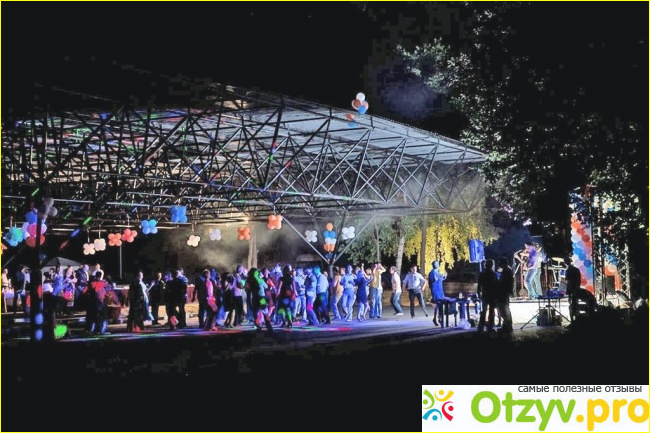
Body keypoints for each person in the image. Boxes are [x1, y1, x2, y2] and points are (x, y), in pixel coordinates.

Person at [477, 259, 498, 333]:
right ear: (492, 265)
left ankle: (481, 326)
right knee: (491, 311)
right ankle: (490, 326)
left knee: (484, 311)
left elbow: (479, 285)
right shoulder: (493, 274)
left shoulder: (482, 274)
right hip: (492, 294)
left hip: (485, 294)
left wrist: (479, 293)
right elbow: (496, 285)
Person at [495, 257, 514, 333]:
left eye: (500, 263)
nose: (499, 265)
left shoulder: (506, 271)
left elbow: (506, 283)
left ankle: (507, 326)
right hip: (504, 292)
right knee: (505, 309)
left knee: (504, 309)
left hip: (504, 293)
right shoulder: (506, 270)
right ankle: (506, 325)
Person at [428, 261, 446, 326]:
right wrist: (442, 277)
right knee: (439, 304)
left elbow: (440, 279)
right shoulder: (433, 272)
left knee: (438, 305)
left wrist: (443, 277)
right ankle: (439, 319)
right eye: (436, 264)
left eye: (438, 264)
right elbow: (435, 280)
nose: (437, 265)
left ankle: (436, 318)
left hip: (440, 290)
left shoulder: (437, 272)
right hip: (436, 290)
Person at [564, 257, 582, 322]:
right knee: (576, 303)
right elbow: (579, 280)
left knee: (572, 304)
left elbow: (568, 281)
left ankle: (572, 319)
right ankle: (577, 317)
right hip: (576, 288)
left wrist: (568, 292)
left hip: (572, 289)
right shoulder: (576, 269)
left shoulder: (568, 270)